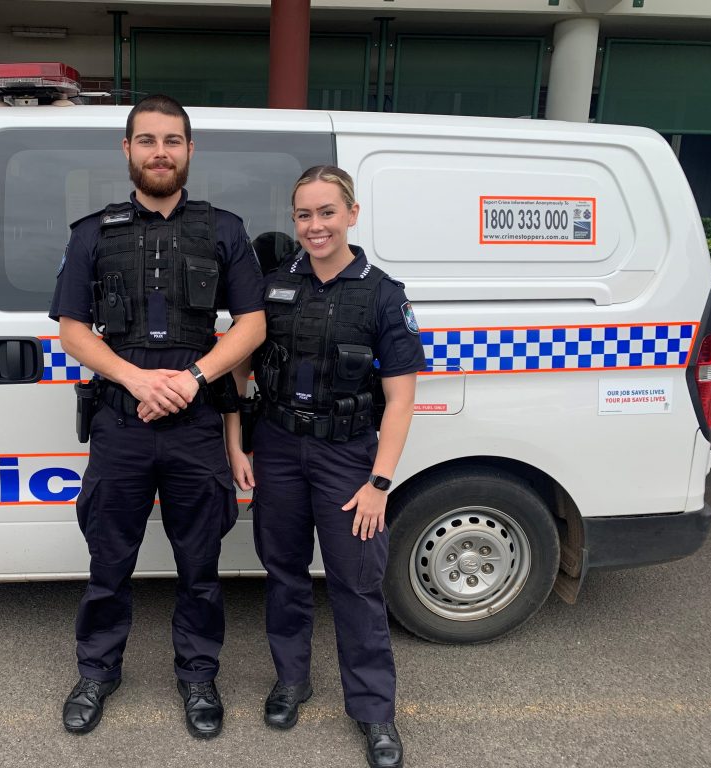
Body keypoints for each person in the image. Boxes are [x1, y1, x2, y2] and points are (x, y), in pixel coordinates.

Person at [50, 95, 266, 739]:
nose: (160, 152)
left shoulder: (225, 230)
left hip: (195, 426)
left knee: (200, 563)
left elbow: (252, 324)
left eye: (172, 140)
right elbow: (71, 330)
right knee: (107, 560)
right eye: (147, 140)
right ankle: (97, 670)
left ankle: (199, 675)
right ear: (127, 150)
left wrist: (193, 379)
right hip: (121, 422)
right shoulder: (92, 234)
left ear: (190, 151)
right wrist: (137, 377)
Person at [225, 166, 427, 768]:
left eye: (327, 213)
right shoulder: (271, 285)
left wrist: (379, 484)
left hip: (347, 458)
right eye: (304, 215)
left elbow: (401, 398)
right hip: (280, 449)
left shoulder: (383, 293)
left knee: (356, 584)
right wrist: (237, 445)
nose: (315, 226)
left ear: (352, 214)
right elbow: (240, 368)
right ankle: (292, 681)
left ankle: (373, 711)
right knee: (283, 572)